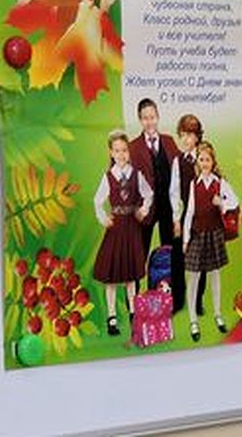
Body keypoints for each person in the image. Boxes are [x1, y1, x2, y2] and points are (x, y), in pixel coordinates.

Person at [92, 130, 152, 336]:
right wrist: (103, 218)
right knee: (111, 277)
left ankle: (134, 313)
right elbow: (97, 201)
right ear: (111, 153)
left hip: (132, 228)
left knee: (130, 276)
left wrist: (143, 210)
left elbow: (148, 194)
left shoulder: (136, 175)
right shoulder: (108, 177)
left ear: (129, 151)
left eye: (124, 150)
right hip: (116, 228)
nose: (121, 154)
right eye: (117, 151)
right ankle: (111, 317)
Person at [129, 98, 185, 311]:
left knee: (172, 255)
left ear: (158, 117)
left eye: (152, 117)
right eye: (145, 118)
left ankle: (172, 300)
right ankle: (133, 303)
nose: (149, 121)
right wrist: (135, 209)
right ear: (140, 120)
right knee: (138, 256)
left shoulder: (169, 142)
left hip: (168, 208)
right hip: (145, 210)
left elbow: (183, 171)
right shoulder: (132, 147)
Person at [182, 141, 238, 342]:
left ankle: (217, 314)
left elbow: (235, 202)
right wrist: (186, 239)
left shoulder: (219, 183)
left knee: (215, 275)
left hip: (214, 234)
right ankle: (193, 320)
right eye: (201, 159)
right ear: (197, 161)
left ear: (213, 162)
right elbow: (189, 212)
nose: (204, 163)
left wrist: (221, 202)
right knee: (193, 277)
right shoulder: (193, 184)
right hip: (198, 235)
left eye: (207, 159)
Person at [169, 114, 208, 315]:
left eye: (190, 135)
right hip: (185, 216)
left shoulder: (205, 157)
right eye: (182, 135)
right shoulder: (178, 161)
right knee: (178, 259)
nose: (185, 139)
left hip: (203, 217)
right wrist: (176, 219)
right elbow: (174, 191)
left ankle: (198, 300)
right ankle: (178, 300)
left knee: (201, 260)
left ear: (197, 136)